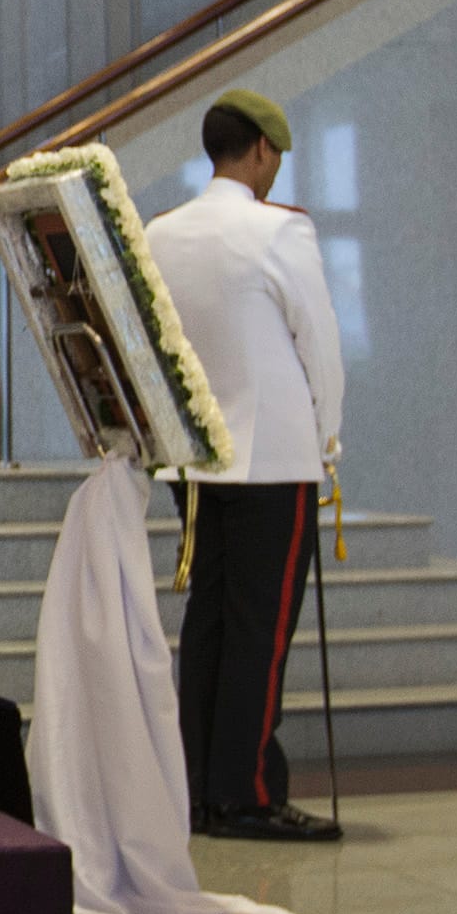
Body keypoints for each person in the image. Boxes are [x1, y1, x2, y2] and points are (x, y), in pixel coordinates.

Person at [141, 88, 348, 843]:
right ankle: (249, 790)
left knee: (210, 623)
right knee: (259, 630)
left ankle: (199, 786)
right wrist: (327, 439)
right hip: (271, 456)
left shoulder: (163, 231)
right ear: (260, 150)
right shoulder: (278, 232)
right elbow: (318, 343)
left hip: (196, 459)